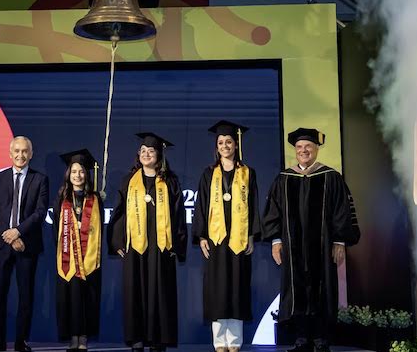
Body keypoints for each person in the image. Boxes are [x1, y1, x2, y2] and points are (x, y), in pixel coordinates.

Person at [262, 128, 360, 352]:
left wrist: (339, 241)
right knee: (297, 291)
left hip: (323, 248)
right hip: (293, 248)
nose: (303, 150)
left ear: (316, 149)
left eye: (308, 146)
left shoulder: (331, 177)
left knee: (322, 289)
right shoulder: (284, 179)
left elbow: (342, 211)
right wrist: (276, 241)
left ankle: (321, 339)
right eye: (299, 147)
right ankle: (301, 339)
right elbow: (273, 212)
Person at [107, 132, 187, 352]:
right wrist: (118, 242)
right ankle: (137, 338)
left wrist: (177, 245)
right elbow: (119, 213)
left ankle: (159, 339)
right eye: (143, 151)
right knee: (136, 291)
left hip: (161, 248)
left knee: (160, 292)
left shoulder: (170, 181)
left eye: (151, 151)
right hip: (136, 247)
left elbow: (178, 214)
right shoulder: (129, 181)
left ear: (159, 155)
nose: (146, 154)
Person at [192, 120, 261, 352]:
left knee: (237, 288)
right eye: (221, 142)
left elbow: (253, 204)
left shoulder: (248, 173)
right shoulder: (208, 174)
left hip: (239, 239)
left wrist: (251, 235)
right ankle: (219, 341)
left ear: (236, 144)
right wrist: (202, 236)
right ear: (217, 146)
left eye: (229, 142)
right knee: (218, 289)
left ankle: (235, 341)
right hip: (216, 238)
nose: (225, 146)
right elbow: (201, 205)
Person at [0, 136, 49, 352]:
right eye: (17, 151)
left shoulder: (40, 179)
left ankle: (21, 342)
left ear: (31, 154)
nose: (20, 155)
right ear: (10, 153)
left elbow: (40, 212)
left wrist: (18, 232)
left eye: (24, 151)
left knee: (26, 295)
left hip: (27, 244)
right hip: (1, 244)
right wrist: (9, 234)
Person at [52, 149, 103, 352]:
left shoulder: (96, 199)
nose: (78, 175)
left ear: (86, 174)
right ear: (68, 174)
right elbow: (56, 229)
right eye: (74, 171)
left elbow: (99, 229)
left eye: (81, 171)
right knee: (70, 298)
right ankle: (73, 337)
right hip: (69, 259)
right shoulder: (61, 199)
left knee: (87, 298)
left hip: (89, 259)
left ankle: (84, 337)